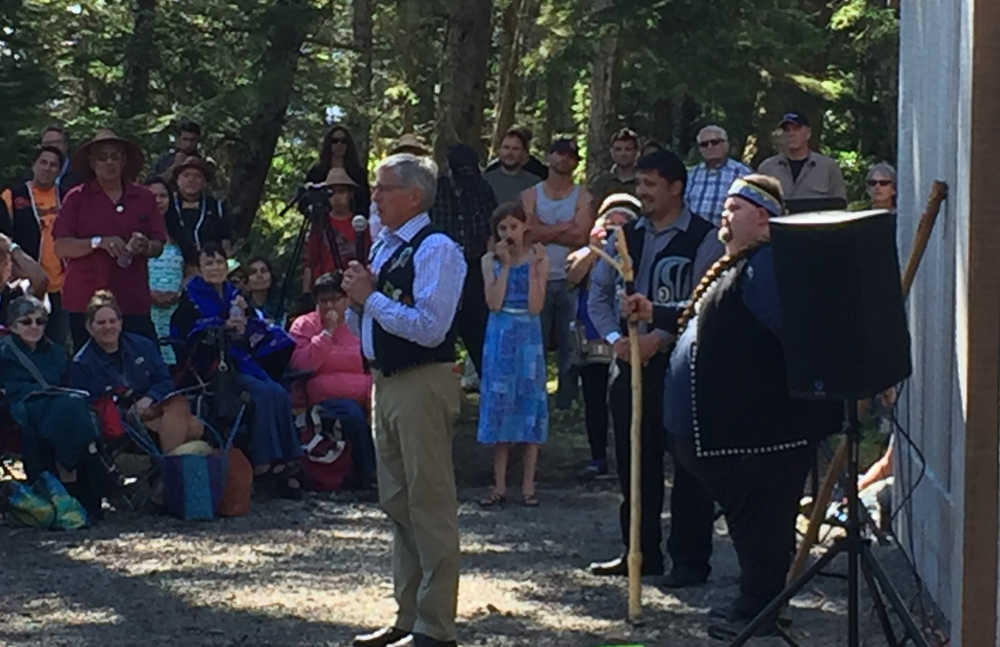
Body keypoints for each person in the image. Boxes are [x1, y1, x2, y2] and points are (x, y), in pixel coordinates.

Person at [630, 174, 831, 628]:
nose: (725, 212)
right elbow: (705, 314)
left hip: (760, 432)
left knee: (763, 520)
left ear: (763, 219)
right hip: (735, 435)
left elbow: (791, 332)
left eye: (736, 206)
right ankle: (759, 606)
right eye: (726, 205)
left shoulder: (766, 265)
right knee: (753, 521)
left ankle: (758, 610)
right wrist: (654, 312)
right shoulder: (741, 267)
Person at [587, 149, 723, 586]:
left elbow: (705, 302)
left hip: (682, 366)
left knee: (687, 466)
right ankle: (638, 553)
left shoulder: (704, 237)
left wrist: (656, 339)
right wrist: (617, 343)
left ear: (675, 187)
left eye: (649, 185)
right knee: (634, 462)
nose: (641, 193)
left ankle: (689, 559)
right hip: (628, 365)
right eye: (639, 185)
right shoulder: (626, 237)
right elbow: (599, 296)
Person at [344, 153, 465, 647]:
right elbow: (370, 321)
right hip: (386, 382)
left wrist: (369, 297)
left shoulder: (437, 248)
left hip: (422, 381)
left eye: (384, 188)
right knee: (397, 500)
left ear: (414, 195)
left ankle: (436, 626)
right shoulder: (385, 249)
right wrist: (357, 302)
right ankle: (407, 614)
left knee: (429, 501)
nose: (374, 197)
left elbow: (430, 326)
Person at [170, 242, 302, 498]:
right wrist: (223, 327)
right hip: (212, 367)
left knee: (278, 391)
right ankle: (263, 466)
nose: (215, 268)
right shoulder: (190, 299)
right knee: (261, 393)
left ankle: (287, 461)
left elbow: (256, 325)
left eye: (219, 262)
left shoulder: (235, 294)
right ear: (199, 268)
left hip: (241, 360)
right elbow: (187, 336)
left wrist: (245, 326)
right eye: (209, 263)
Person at [54, 128, 167, 350]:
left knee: (144, 364)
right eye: (102, 157)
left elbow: (158, 245)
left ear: (124, 160)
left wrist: (144, 246)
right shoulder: (76, 198)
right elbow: (60, 247)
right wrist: (98, 242)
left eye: (115, 157)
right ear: (92, 162)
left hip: (132, 300)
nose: (109, 163)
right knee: (90, 372)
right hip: (86, 302)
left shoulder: (144, 197)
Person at [0, 295, 107, 516]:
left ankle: (74, 481)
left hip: (60, 404)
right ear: (12, 326)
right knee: (71, 408)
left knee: (76, 406)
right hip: (22, 405)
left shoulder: (56, 352)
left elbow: (70, 383)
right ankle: (71, 481)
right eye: (26, 321)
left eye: (40, 321)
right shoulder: (4, 352)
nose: (34, 326)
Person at [477, 203, 549, 508]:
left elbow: (535, 306)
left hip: (527, 334)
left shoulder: (538, 259)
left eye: (513, 227)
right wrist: (505, 266)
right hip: (500, 332)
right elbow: (493, 303)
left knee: (529, 403)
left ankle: (529, 485)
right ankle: (500, 484)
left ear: (524, 228)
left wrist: (533, 268)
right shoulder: (488, 261)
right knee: (500, 404)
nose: (508, 234)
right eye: (502, 228)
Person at [70, 290, 204, 454]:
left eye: (113, 321)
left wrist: (149, 398)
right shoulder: (82, 363)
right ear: (89, 328)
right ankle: (172, 469)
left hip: (153, 407)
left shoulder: (143, 345)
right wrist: (130, 410)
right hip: (121, 420)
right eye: (101, 322)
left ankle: (168, 466)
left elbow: (165, 381)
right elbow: (90, 407)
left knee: (182, 408)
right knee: (192, 427)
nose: (108, 327)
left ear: (121, 323)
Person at [565, 193, 641, 477]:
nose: (614, 230)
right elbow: (572, 278)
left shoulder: (640, 253)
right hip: (592, 337)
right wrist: (595, 249)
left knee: (627, 401)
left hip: (627, 335)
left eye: (623, 223)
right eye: (610, 223)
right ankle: (598, 456)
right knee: (594, 400)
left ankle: (631, 453)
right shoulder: (584, 253)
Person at [521, 136, 595, 409]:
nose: (563, 159)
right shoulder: (530, 194)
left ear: (575, 162)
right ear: (549, 157)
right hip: (536, 277)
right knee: (535, 342)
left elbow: (581, 236)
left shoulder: (584, 196)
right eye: (558, 153)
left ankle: (566, 400)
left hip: (572, 279)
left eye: (569, 155)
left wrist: (544, 230)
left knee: (570, 343)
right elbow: (527, 232)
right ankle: (535, 398)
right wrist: (564, 227)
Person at [288, 271, 376, 488]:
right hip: (323, 401)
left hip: (366, 393)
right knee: (351, 413)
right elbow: (301, 365)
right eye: (323, 301)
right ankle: (369, 474)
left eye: (334, 299)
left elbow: (371, 362)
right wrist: (327, 333)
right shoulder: (304, 325)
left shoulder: (359, 323)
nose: (329, 306)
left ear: (346, 299)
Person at [430, 143, 497, 378]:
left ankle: (488, 386)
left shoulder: (483, 189)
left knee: (477, 329)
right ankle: (442, 386)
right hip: (441, 270)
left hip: (474, 268)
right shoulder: (435, 191)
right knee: (442, 330)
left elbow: (492, 230)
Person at [2, 146, 70, 345]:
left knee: (57, 345)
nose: (47, 168)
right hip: (25, 285)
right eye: (43, 162)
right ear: (34, 165)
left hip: (62, 287)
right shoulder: (13, 196)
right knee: (22, 344)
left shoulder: (67, 197)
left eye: (53, 165)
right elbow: (3, 237)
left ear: (59, 171)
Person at [303, 168, 371, 296]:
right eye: (332, 192)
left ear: (350, 194)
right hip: (324, 287)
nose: (337, 197)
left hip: (352, 288)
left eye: (341, 191)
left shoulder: (360, 223)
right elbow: (311, 261)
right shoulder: (320, 224)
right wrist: (306, 292)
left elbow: (367, 258)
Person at [757, 111, 847, 201]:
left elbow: (840, 203)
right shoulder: (767, 168)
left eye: (796, 129)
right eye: (787, 130)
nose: (791, 134)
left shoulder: (828, 167)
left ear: (808, 133)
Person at [164, 156, 232, 271]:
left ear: (204, 182)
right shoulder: (167, 207)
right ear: (177, 180)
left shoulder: (217, 207)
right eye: (186, 175)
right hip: (174, 270)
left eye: (197, 176)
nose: (191, 180)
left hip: (210, 269)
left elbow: (226, 243)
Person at [145, 178, 185, 365]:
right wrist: (149, 294)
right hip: (144, 308)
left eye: (163, 196)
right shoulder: (134, 232)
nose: (158, 200)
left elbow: (193, 270)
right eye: (153, 196)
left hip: (175, 309)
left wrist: (178, 293)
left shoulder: (179, 234)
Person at [685, 125, 752, 226]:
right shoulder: (691, 175)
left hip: (726, 235)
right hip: (691, 235)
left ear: (726, 144)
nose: (710, 147)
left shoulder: (743, 173)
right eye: (704, 144)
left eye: (715, 142)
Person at [305, 124, 371, 215]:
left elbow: (365, 201)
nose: (339, 144)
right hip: (321, 223)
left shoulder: (358, 173)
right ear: (329, 144)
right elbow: (304, 201)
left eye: (343, 141)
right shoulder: (317, 171)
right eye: (334, 141)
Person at [483, 129, 542, 204]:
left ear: (524, 153)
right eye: (506, 147)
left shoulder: (535, 184)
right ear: (499, 151)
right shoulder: (484, 182)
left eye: (515, 149)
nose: (510, 153)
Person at [588, 127, 640, 205]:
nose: (623, 154)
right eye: (618, 149)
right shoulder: (601, 182)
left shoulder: (644, 181)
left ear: (636, 152)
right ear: (611, 152)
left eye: (628, 149)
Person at [39, 125, 84, 196]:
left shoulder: (81, 172)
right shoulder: (32, 176)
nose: (53, 147)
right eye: (48, 144)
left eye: (57, 142)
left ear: (66, 145)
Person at [245, 257, 283, 324]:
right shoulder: (243, 306)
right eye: (253, 272)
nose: (259, 275)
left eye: (263, 271)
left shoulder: (283, 305)